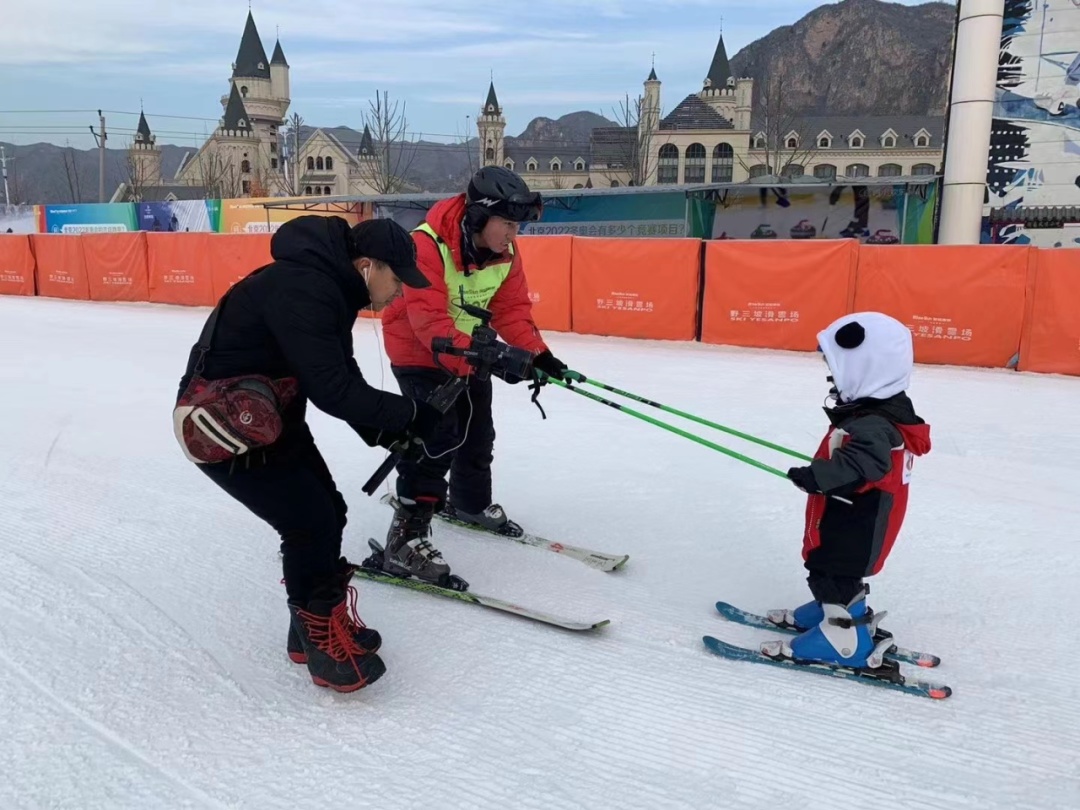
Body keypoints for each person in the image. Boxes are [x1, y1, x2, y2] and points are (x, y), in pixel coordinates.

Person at [175, 214, 442, 694]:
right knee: (309, 523)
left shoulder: (329, 288)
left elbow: (340, 376)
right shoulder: (306, 287)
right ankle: (322, 647)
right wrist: (413, 416)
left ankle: (309, 632)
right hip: (222, 423)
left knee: (327, 513)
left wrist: (388, 433)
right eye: (397, 279)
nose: (400, 292)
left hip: (268, 414)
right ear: (366, 265)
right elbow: (333, 390)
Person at [376, 166, 571, 585]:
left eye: (517, 224)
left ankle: (468, 502)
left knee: (478, 430)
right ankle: (404, 540)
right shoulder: (426, 246)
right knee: (438, 435)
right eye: (507, 223)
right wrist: (492, 357)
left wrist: (538, 356)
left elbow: (512, 310)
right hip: (419, 350)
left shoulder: (507, 254)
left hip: (471, 349)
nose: (512, 234)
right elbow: (427, 321)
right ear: (479, 218)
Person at [762, 312, 932, 673]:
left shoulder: (873, 423)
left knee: (832, 570)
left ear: (866, 367)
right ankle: (834, 610)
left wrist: (817, 476)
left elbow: (862, 466)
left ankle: (844, 641)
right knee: (835, 568)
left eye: (836, 367)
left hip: (858, 520)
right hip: (860, 515)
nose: (831, 375)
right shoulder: (881, 407)